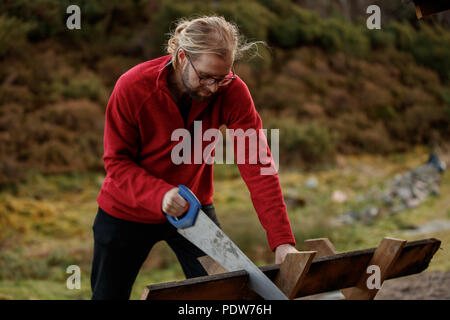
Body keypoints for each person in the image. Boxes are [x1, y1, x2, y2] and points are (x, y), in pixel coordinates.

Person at [91, 15, 298, 300]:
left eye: (221, 78)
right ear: (180, 58)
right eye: (205, 76)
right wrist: (160, 195)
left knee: (223, 298)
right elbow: (117, 163)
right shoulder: (132, 88)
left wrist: (282, 241)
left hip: (192, 211)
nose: (213, 87)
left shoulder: (232, 91)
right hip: (126, 211)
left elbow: (258, 165)